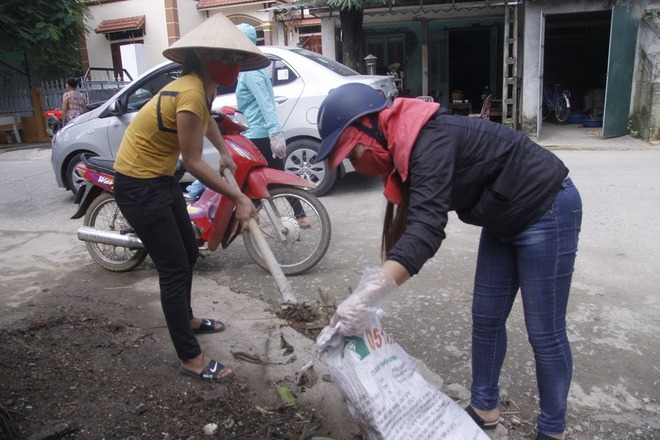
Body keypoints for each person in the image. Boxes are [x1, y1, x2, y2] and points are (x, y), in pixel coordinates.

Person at [315, 83, 582, 440]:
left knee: (544, 331)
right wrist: (370, 291)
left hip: (546, 209)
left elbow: (427, 230)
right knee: (486, 318)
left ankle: (553, 430)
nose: (353, 163)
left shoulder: (428, 139)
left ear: (371, 128)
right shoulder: (403, 147)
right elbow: (415, 227)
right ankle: (484, 408)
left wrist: (366, 298)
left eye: (351, 153)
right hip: (501, 216)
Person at [112, 13, 269, 382]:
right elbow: (195, 163)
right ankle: (189, 358)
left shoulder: (204, 87)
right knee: (173, 268)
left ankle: (187, 319)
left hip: (161, 180)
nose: (232, 65)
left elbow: (209, 119)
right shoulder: (190, 91)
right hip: (138, 186)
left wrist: (225, 151)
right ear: (202, 56)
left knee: (187, 252)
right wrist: (239, 197)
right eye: (225, 57)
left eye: (236, 59)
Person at [234, 23, 309, 228]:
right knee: (276, 178)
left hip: (259, 134)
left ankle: (283, 220)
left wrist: (274, 133)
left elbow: (266, 103)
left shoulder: (250, 72)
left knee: (253, 180)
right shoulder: (252, 70)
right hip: (261, 132)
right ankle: (297, 217)